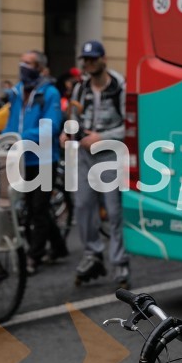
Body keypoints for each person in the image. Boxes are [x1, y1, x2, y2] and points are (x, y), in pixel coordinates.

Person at [60, 41, 130, 286]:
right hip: (85, 155)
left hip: (111, 154)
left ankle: (120, 263)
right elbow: (73, 117)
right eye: (85, 60)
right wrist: (67, 133)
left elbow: (129, 125)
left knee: (114, 211)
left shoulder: (120, 86)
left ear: (103, 59)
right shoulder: (80, 88)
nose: (88, 64)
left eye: (93, 59)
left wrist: (102, 137)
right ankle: (92, 254)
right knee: (82, 205)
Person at [3, 50, 67, 274]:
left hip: (43, 158)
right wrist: (3, 138)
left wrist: (22, 137)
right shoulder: (17, 93)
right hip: (22, 158)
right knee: (31, 207)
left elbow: (51, 126)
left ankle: (34, 256)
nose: (23, 66)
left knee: (37, 209)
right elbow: (11, 122)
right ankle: (58, 246)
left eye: (29, 63)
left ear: (40, 68)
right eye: (21, 62)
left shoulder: (49, 93)